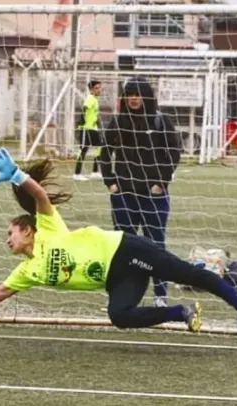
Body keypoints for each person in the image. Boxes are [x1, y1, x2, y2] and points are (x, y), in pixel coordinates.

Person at [0, 148, 237, 337]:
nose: (6, 240)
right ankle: (181, 312)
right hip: (117, 278)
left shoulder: (48, 228)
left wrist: (16, 175)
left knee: (186, 273)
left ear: (27, 230)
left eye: (9, 233)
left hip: (124, 250)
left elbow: (39, 195)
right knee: (119, 315)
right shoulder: (27, 271)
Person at [99, 76, 181, 308]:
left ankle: (160, 296)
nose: (133, 98)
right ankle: (121, 297)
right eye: (129, 94)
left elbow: (173, 152)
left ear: (146, 96)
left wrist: (160, 183)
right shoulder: (118, 122)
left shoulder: (160, 121)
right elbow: (105, 153)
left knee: (156, 245)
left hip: (153, 196)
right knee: (122, 248)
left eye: (137, 94)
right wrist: (111, 183)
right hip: (124, 196)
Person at [73, 80, 103, 181]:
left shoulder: (95, 99)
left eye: (99, 87)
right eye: (96, 88)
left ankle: (95, 172)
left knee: (100, 147)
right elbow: (84, 108)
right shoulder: (90, 98)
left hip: (93, 129)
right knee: (83, 150)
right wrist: (81, 121)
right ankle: (77, 174)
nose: (99, 90)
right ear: (91, 90)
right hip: (87, 129)